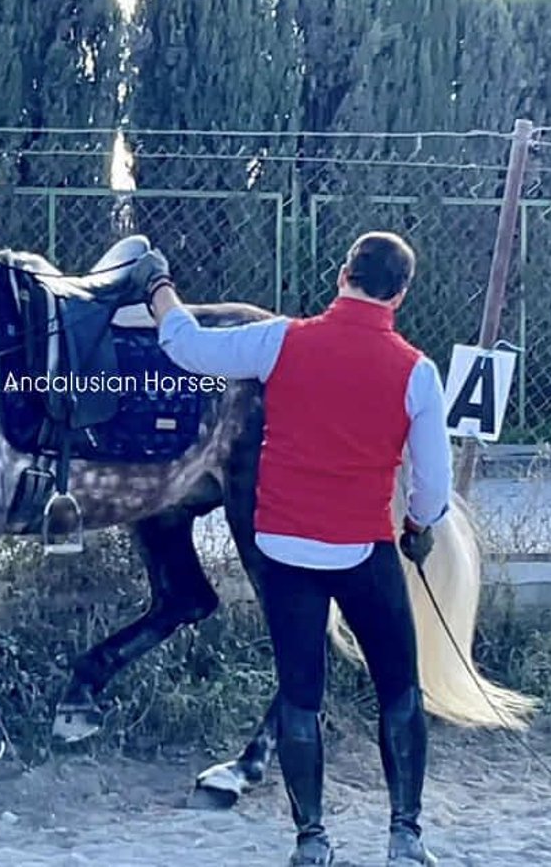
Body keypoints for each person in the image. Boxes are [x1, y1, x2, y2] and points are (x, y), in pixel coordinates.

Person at [138, 232, 451, 866]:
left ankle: (311, 842)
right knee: (400, 692)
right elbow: (432, 486)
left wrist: (160, 291)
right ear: (402, 293)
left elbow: (188, 346)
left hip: (283, 549)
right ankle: (405, 837)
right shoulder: (417, 371)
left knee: (302, 697)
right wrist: (419, 526)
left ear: (343, 275)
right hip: (363, 550)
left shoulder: (281, 340)